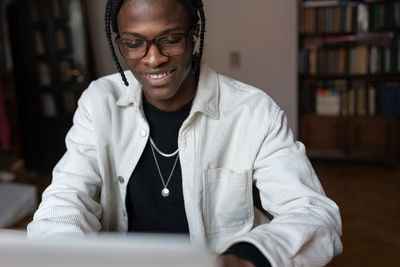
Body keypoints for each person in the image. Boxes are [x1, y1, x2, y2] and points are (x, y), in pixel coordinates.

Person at [27, 0, 343, 266]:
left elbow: (314, 214)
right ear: (120, 44)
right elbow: (68, 195)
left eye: (170, 39)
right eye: (134, 43)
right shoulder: (100, 101)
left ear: (194, 34)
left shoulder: (253, 111)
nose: (153, 58)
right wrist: (61, 251)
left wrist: (242, 259)